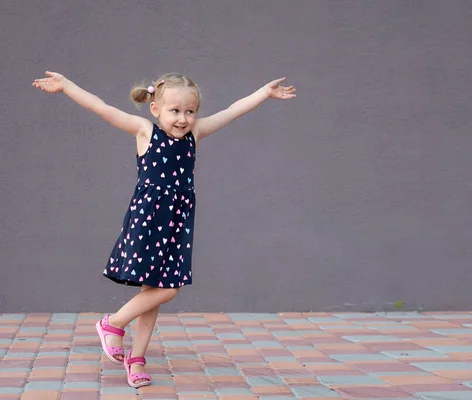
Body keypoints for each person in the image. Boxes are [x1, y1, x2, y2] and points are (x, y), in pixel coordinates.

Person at [32, 71, 296, 387]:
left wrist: (263, 93)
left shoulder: (194, 135)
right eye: (175, 111)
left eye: (190, 111)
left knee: (155, 293)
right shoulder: (145, 131)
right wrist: (67, 85)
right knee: (166, 289)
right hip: (149, 220)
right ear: (155, 108)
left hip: (178, 222)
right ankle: (112, 324)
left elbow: (232, 111)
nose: (183, 119)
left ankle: (137, 358)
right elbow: (101, 107)